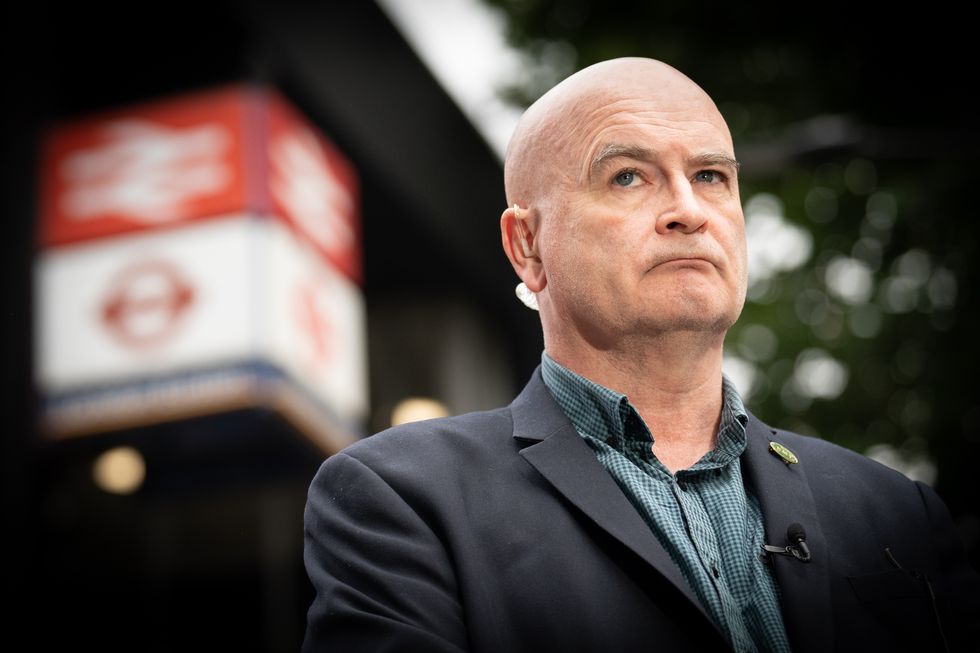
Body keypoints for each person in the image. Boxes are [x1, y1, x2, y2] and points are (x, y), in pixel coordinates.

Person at [301, 57, 980, 652]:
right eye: (629, 177)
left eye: (712, 175)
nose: (690, 210)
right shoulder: (403, 498)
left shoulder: (897, 511)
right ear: (527, 247)